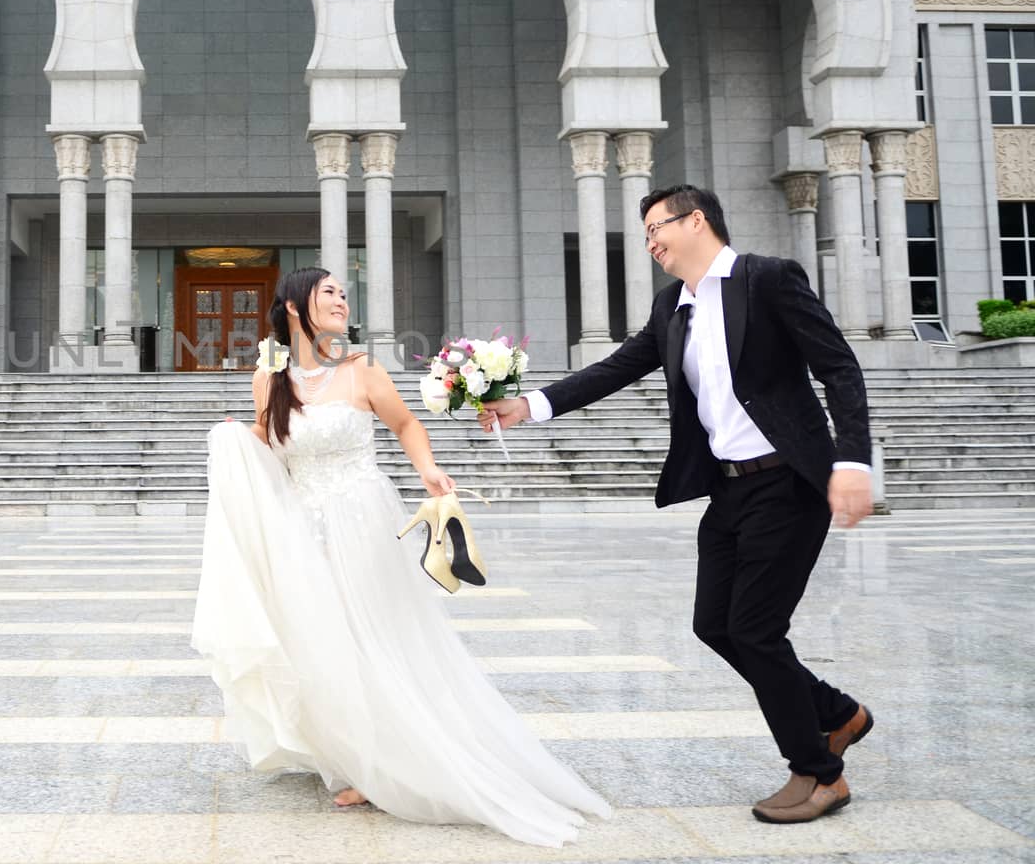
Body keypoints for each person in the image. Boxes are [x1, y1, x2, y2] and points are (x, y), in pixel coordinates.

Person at [479, 184, 875, 825]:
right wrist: (529, 406)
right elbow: (616, 367)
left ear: (697, 221)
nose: (652, 243)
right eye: (645, 235)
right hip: (730, 485)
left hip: (789, 481)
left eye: (657, 228)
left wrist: (852, 460)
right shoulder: (674, 308)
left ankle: (821, 773)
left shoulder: (767, 279)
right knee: (714, 625)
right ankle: (835, 714)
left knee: (755, 629)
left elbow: (840, 368)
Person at [193, 266, 612, 847]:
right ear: (293, 307)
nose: (341, 299)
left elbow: (406, 421)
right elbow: (269, 449)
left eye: (344, 291)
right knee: (322, 640)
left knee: (373, 636)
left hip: (360, 517)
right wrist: (234, 441)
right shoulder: (271, 378)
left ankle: (383, 760)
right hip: (301, 526)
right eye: (328, 292)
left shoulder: (361, 369)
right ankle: (347, 752)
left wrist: (429, 470)